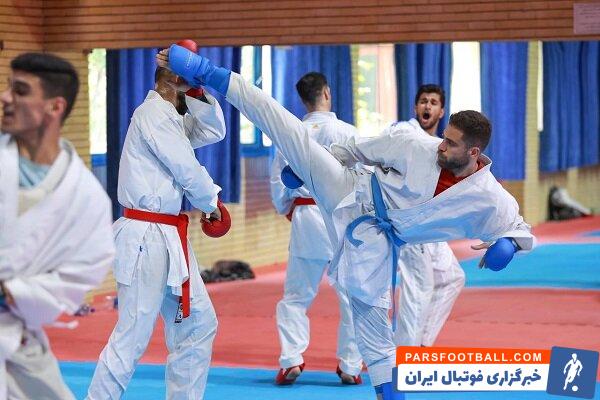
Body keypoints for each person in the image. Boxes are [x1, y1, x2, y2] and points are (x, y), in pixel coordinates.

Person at [162, 45, 536, 400]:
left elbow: (518, 229)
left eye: (451, 144)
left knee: (371, 319)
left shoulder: (489, 197)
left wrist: (507, 246)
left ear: (474, 152)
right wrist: (306, 169)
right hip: (351, 189)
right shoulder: (414, 145)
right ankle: (206, 71)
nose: (441, 145)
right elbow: (354, 149)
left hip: (377, 239)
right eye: (444, 138)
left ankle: (389, 393)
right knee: (289, 131)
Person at [86, 58, 227, 400]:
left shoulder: (173, 119)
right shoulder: (151, 114)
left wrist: (198, 93)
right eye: (192, 78)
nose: (197, 83)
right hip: (145, 236)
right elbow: (186, 167)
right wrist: (211, 203)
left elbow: (214, 131)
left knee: (198, 325)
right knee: (132, 336)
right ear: (175, 78)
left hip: (168, 238)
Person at [0, 53, 115, 400]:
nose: (5, 97)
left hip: (13, 330)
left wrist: (11, 292)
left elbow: (79, 274)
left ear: (55, 106)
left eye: (20, 91)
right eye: (8, 87)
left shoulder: (87, 198)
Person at [271, 72, 363, 385]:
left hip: (306, 216)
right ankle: (350, 365)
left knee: (296, 295)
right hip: (340, 218)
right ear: (326, 92)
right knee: (351, 295)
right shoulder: (347, 132)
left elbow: (279, 180)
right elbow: (362, 176)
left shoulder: (290, 133)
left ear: (302, 99)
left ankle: (291, 359)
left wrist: (288, 207)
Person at [390, 84, 465, 347]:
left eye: (433, 103)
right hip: (409, 222)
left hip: (431, 225)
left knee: (452, 277)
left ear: (441, 111)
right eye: (423, 101)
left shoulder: (444, 146)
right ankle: (404, 355)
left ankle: (422, 345)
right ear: (415, 107)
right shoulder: (404, 131)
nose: (427, 106)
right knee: (418, 288)